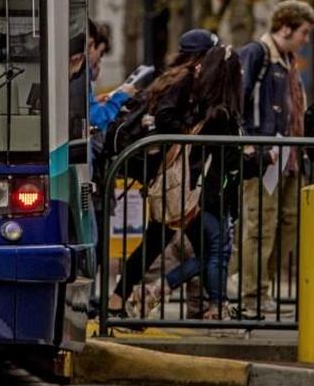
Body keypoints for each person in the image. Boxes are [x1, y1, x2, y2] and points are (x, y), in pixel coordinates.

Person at [129, 45, 254, 319]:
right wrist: (260, 158)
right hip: (210, 195)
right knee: (217, 251)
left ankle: (161, 290)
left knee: (210, 253)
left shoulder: (203, 109)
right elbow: (230, 163)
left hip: (198, 192)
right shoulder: (221, 115)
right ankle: (214, 307)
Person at [105, 28, 219, 315]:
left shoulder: (175, 77)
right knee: (210, 247)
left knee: (158, 242)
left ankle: (119, 300)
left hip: (164, 176)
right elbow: (167, 116)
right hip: (170, 178)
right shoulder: (186, 80)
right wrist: (191, 131)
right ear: (202, 57)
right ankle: (161, 293)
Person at [235, 0, 314, 318]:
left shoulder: (287, 61)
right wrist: (248, 145)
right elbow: (238, 98)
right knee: (260, 223)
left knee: (290, 220)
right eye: (304, 33)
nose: (305, 40)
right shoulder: (258, 54)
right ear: (286, 28)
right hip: (265, 153)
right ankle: (252, 290)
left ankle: (255, 280)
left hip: (288, 155)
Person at [87, 22, 137, 133]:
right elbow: (99, 120)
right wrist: (121, 96)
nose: (99, 61)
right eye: (100, 54)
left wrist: (95, 101)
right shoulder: (82, 76)